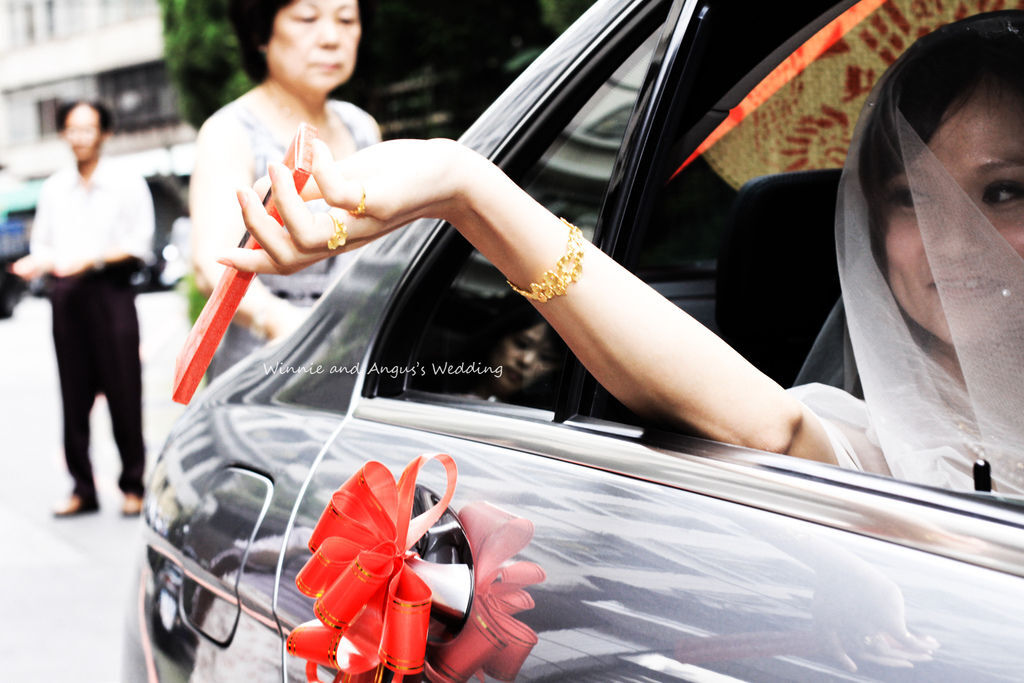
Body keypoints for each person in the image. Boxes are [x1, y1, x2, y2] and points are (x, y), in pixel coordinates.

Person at [221, 12, 1024, 493]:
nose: (955, 240)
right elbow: (774, 428)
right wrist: (465, 186)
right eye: (912, 199)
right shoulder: (878, 440)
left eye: (1002, 191)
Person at [189, 0, 380, 379]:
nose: (331, 38)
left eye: (346, 19)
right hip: (266, 368)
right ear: (261, 33)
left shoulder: (362, 127)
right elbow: (212, 262)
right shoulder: (231, 131)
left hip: (361, 357)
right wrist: (278, 321)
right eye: (307, 18)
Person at [11, 100, 154, 516]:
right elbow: (44, 244)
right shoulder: (54, 188)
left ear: (104, 133)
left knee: (124, 391)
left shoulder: (126, 182)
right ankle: (82, 489)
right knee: (73, 395)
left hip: (112, 292)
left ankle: (133, 485)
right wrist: (38, 262)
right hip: (66, 297)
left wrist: (91, 259)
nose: (79, 138)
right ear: (63, 134)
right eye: (72, 129)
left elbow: (139, 243)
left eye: (87, 129)